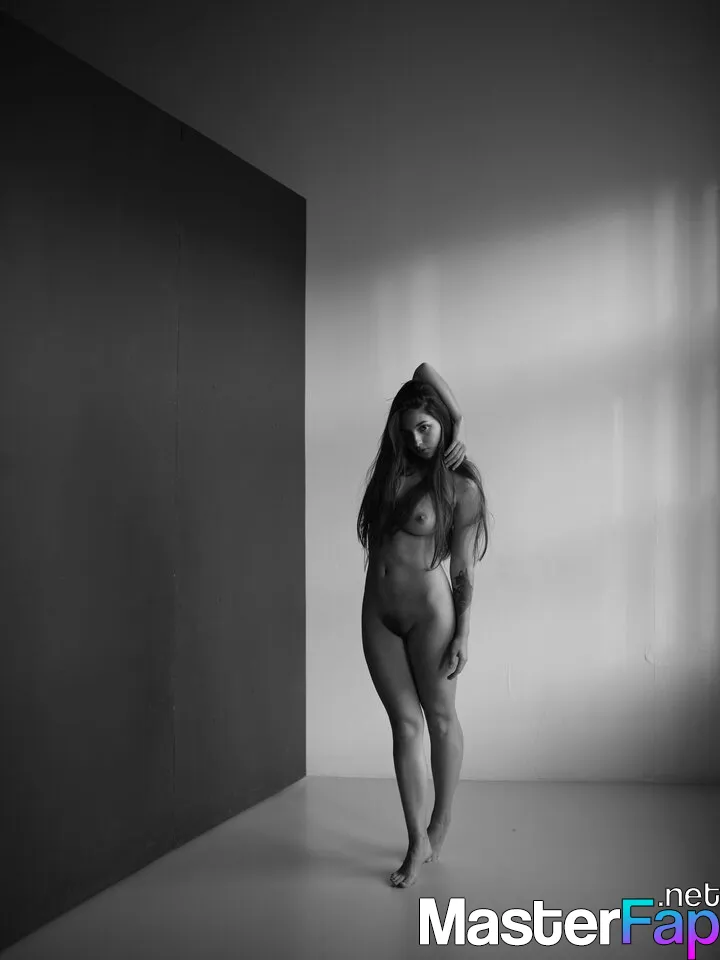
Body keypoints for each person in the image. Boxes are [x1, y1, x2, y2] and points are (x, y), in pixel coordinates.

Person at [357, 362, 489, 888]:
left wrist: (463, 633)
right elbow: (421, 372)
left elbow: (463, 569)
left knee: (439, 717)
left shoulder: (460, 487)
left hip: (432, 615)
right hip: (378, 612)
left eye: (427, 428)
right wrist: (439, 419)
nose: (418, 438)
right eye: (409, 428)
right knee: (405, 724)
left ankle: (441, 821)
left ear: (443, 427)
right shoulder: (392, 471)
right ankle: (416, 839)